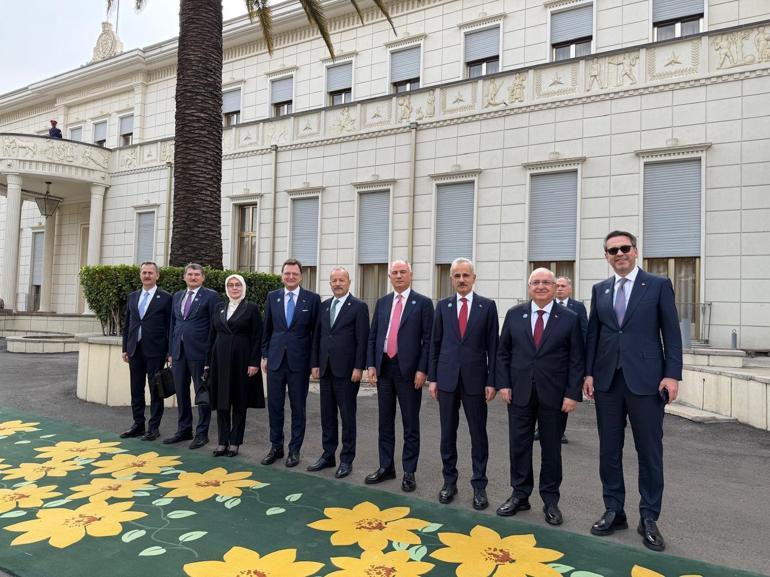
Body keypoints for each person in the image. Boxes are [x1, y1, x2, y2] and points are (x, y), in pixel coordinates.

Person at [583, 231, 682, 552]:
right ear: (606, 256)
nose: (619, 254)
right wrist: (588, 373)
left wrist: (672, 375)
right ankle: (614, 511)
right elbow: (594, 335)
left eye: (624, 248)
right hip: (608, 382)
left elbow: (671, 333)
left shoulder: (657, 285)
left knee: (649, 452)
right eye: (613, 250)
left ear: (635, 251)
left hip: (647, 382)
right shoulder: (600, 289)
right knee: (609, 451)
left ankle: (649, 517)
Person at [495, 268, 584, 525]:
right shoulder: (514, 314)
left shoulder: (570, 318)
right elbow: (503, 353)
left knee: (551, 450)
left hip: (555, 396)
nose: (541, 286)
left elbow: (577, 359)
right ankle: (520, 495)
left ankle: (550, 501)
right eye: (536, 282)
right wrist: (504, 384)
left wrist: (572, 394)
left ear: (555, 287)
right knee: (519, 446)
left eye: (547, 282)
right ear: (529, 286)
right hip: (519, 392)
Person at [428, 257, 498, 510]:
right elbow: (435, 343)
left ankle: (479, 486)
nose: (461, 280)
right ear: (451, 279)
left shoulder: (487, 306)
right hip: (447, 379)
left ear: (473, 278)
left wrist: (492, 381)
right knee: (447, 433)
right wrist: (433, 378)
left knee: (478, 434)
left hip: (476, 381)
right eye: (457, 276)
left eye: (465, 275)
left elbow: (494, 347)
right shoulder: (443, 306)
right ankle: (449, 482)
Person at [365, 260, 433, 492]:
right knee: (385, 422)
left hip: (409, 372)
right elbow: (374, 335)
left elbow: (428, 341)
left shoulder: (423, 303)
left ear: (410, 275)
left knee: (410, 424)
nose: (399, 276)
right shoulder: (383, 302)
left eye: (403, 272)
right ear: (389, 277)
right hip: (384, 368)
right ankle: (386, 467)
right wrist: (371, 364)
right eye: (394, 272)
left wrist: (423, 369)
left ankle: (409, 472)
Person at [308, 267, 369, 478]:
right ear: (330, 283)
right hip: (325, 369)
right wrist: (315, 363)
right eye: (334, 280)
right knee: (327, 416)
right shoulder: (324, 306)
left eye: (341, 280)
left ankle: (346, 459)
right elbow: (317, 337)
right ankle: (328, 455)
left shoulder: (359, 307)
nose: (337, 284)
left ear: (349, 282)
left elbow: (362, 340)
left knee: (347, 417)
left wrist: (359, 367)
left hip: (347, 372)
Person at [260, 259, 320, 468]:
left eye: (295, 273)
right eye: (287, 273)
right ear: (282, 276)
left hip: (299, 362)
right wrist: (265, 355)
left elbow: (316, 334)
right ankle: (276, 447)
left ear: (301, 276)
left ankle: (295, 450)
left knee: (298, 408)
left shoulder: (312, 299)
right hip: (275, 360)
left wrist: (314, 362)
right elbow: (267, 329)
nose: (291, 277)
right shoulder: (272, 297)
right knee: (275, 406)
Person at [208, 274, 264, 458]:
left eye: (238, 285)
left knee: (239, 402)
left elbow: (257, 337)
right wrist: (208, 363)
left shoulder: (251, 308)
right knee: (221, 401)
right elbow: (212, 335)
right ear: (226, 288)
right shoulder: (219, 307)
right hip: (220, 360)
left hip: (242, 359)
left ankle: (235, 442)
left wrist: (254, 362)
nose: (234, 288)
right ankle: (222, 441)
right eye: (231, 285)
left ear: (243, 287)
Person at [165, 263, 220, 449]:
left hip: (200, 353)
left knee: (202, 394)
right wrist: (170, 352)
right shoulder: (177, 296)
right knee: (181, 393)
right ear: (184, 277)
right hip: (178, 353)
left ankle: (202, 433)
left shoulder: (211, 296)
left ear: (203, 278)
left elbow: (214, 327)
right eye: (190, 274)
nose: (193, 277)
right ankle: (184, 429)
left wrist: (210, 355)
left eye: (197, 274)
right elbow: (173, 325)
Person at [121, 262, 172, 441]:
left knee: (155, 390)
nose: (147, 275)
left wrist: (169, 352)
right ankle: (138, 424)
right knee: (136, 389)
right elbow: (128, 324)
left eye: (150, 273)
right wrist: (125, 348)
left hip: (156, 351)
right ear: (140, 275)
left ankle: (153, 427)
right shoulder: (132, 296)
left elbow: (170, 327)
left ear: (157, 276)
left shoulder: (166, 297)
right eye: (144, 272)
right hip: (135, 350)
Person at [534, 275, 588, 444]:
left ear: (570, 288)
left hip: (566, 361)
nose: (559, 289)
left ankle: (560, 431)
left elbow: (584, 332)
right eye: (557, 285)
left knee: (561, 400)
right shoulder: (547, 305)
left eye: (563, 286)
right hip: (545, 363)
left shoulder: (577, 307)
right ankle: (540, 428)